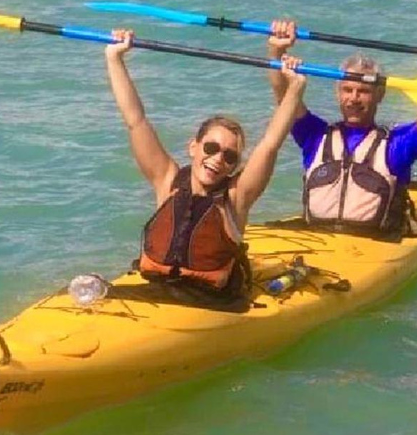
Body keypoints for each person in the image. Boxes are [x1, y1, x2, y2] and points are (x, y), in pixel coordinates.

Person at [105, 29, 307, 299]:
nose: (217, 159)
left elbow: (271, 142)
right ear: (193, 147)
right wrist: (114, 58)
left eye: (229, 156)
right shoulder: (167, 181)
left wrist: (295, 88)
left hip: (210, 303)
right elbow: (135, 120)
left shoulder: (236, 198)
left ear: (234, 167)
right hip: (155, 290)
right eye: (211, 148)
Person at [266, 20, 417, 240]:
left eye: (363, 91)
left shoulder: (396, 146)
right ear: (338, 93)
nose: (354, 98)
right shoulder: (315, 136)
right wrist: (277, 50)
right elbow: (285, 98)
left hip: (373, 246)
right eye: (347, 89)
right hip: (318, 241)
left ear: (380, 94)